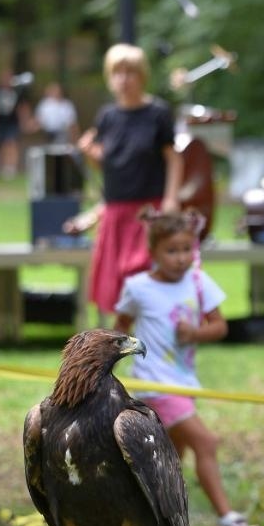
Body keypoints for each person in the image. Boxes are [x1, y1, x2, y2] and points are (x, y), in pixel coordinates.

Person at [114, 209, 262, 526]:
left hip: (184, 383)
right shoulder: (137, 288)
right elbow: (118, 328)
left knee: (170, 459)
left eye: (186, 250)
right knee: (206, 443)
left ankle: (149, 523)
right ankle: (229, 522)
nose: (181, 258)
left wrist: (194, 333)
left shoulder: (198, 282)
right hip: (155, 385)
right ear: (153, 252)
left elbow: (220, 327)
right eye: (172, 250)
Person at [79, 43, 184, 319]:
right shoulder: (107, 117)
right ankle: (117, 345)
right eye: (117, 73)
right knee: (116, 287)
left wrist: (171, 199)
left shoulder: (157, 114)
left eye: (130, 73)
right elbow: (107, 164)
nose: (123, 79)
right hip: (116, 211)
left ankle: (159, 337)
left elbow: (174, 158)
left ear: (141, 76)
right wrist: (90, 154)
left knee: (145, 275)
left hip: (148, 209)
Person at [0, 69, 33, 177]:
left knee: (11, 142)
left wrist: (25, 122)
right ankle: (3, 166)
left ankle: (10, 167)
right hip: (0, 122)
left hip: (13, 122)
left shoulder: (17, 92)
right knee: (2, 144)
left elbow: (23, 108)